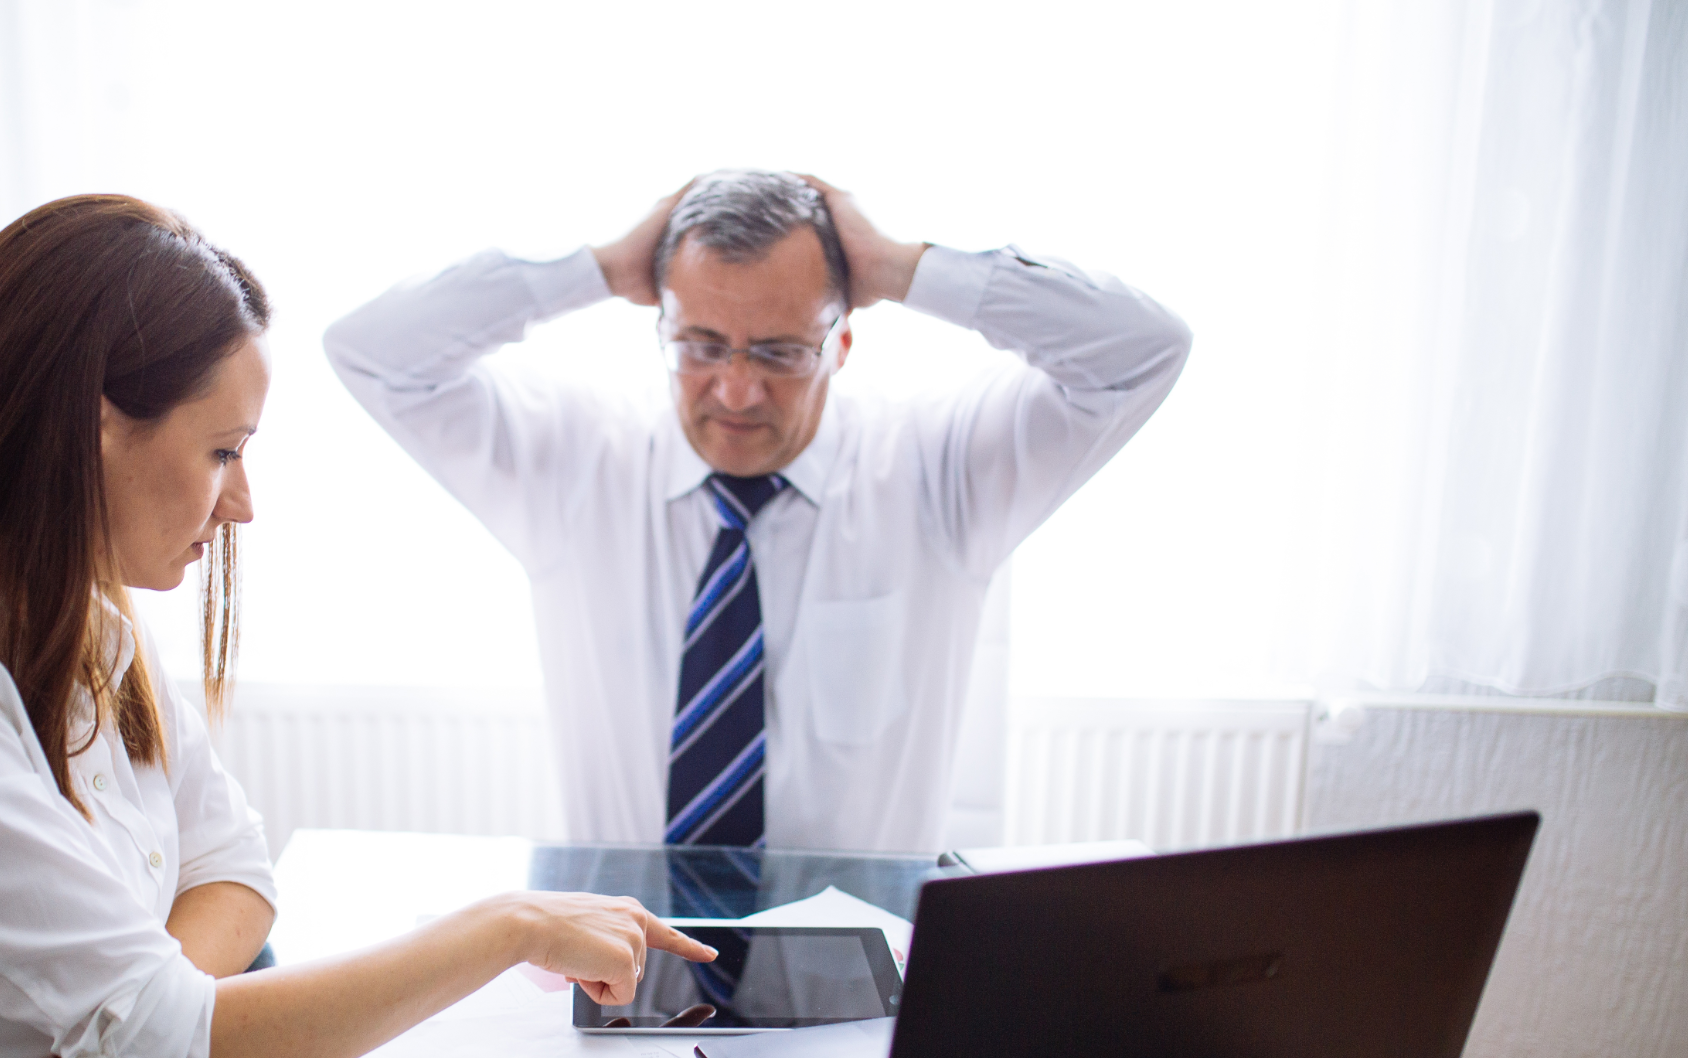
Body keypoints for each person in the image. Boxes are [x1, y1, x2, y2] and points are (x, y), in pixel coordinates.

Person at [0, 195, 713, 1058]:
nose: (243, 504)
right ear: (92, 424)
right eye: (223, 450)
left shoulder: (80, 612)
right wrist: (505, 925)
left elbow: (233, 873)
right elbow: (183, 1036)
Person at [325, 170, 1192, 860]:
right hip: (627, 986)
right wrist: (595, 268)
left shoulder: (940, 466)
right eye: (701, 346)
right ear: (658, 329)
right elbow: (373, 352)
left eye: (779, 352)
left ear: (842, 343)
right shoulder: (572, 463)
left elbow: (1141, 350)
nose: (735, 390)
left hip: (854, 1000)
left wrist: (900, 267)